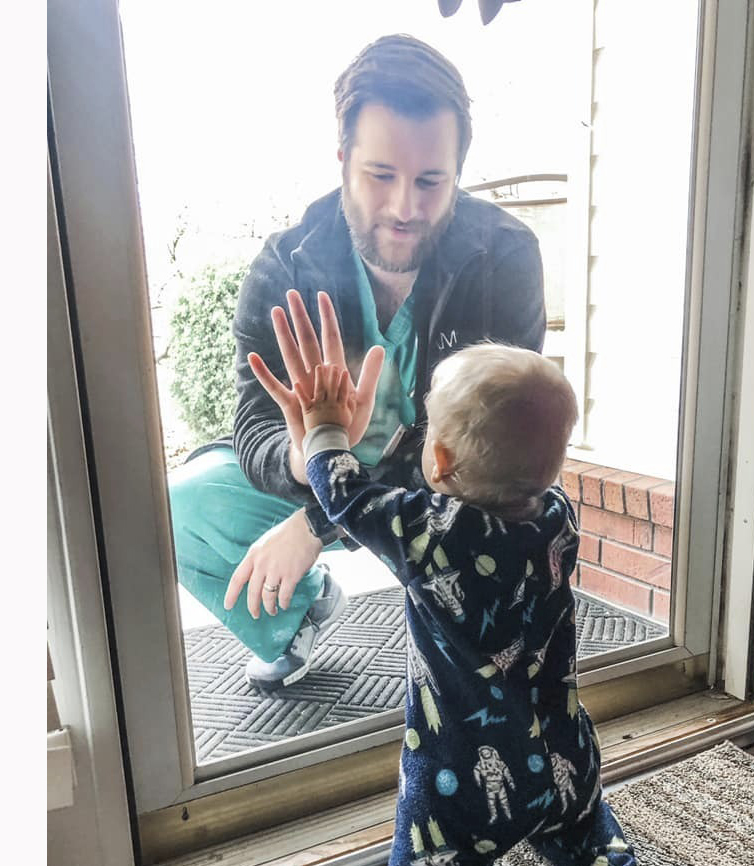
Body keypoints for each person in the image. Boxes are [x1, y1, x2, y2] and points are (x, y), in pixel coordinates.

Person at [255, 295, 655, 866]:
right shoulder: (558, 519)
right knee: (587, 823)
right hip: (565, 761)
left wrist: (329, 426)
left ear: (437, 465)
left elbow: (345, 493)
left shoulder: (427, 536)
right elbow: (485, 475)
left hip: (460, 785)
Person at [167, 33, 546, 691]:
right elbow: (254, 430)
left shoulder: (505, 257)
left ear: (459, 169)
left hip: (443, 487)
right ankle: (301, 612)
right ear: (343, 159)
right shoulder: (284, 264)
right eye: (380, 176)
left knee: (519, 518)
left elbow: (497, 438)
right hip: (319, 475)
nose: (406, 208)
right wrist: (312, 445)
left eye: (432, 181)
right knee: (178, 506)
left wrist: (321, 521)